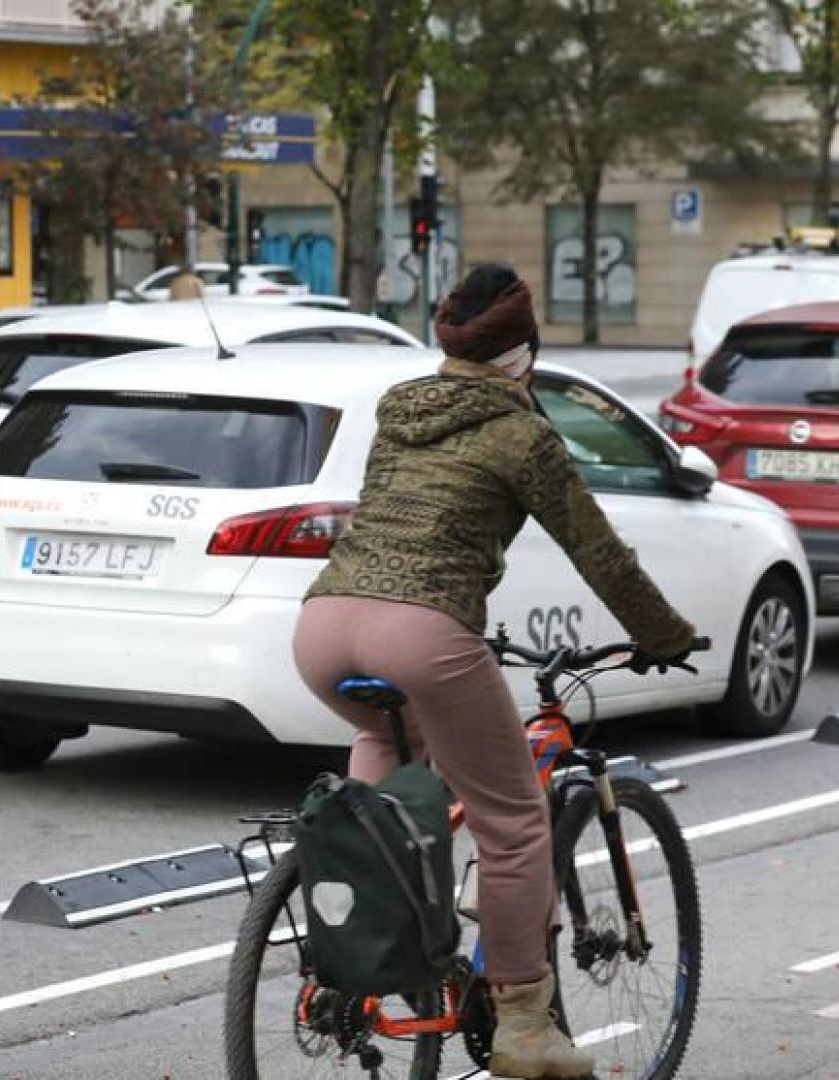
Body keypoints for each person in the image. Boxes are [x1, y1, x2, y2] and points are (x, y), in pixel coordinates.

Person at [292, 264, 696, 1079]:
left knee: (380, 790)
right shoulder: (524, 432)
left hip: (324, 623)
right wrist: (665, 632)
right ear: (524, 353)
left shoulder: (399, 412)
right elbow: (601, 555)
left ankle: (359, 969)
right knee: (513, 824)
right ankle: (523, 1024)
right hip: (425, 629)